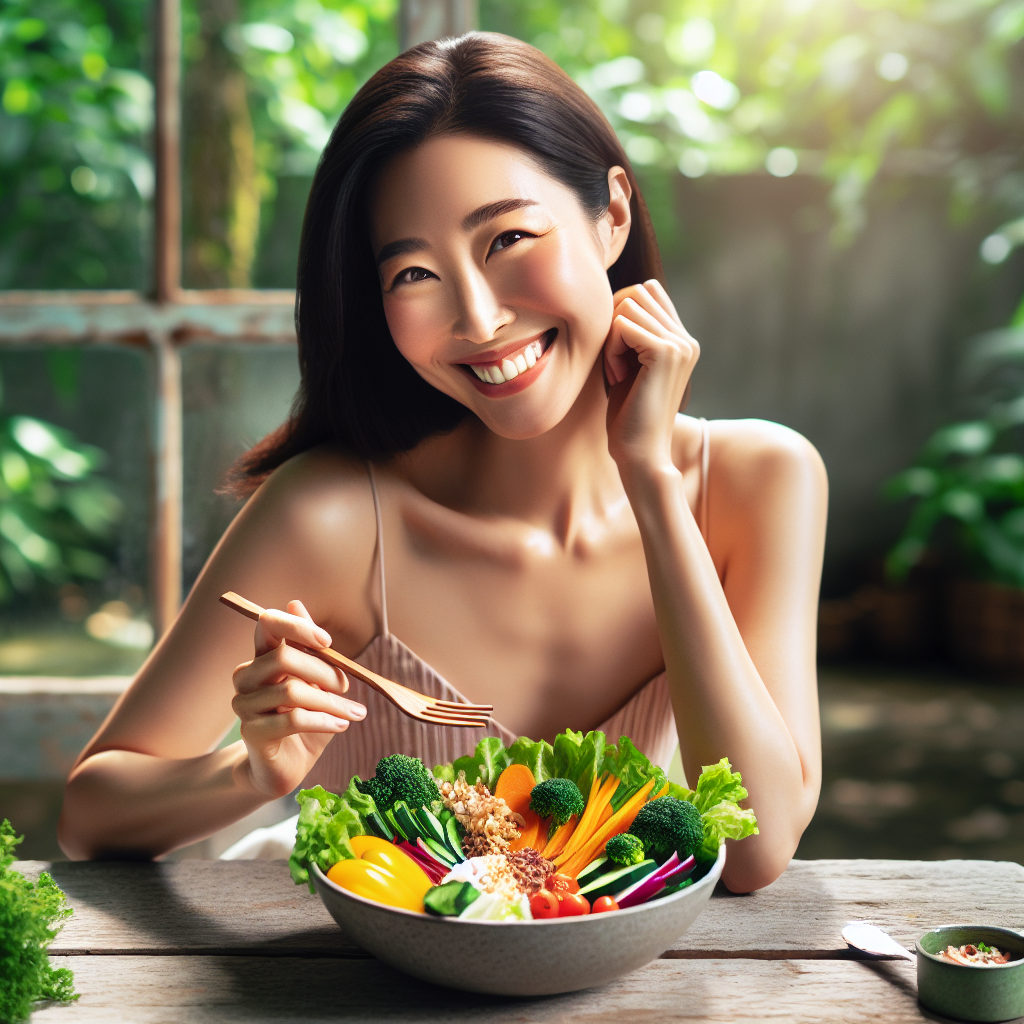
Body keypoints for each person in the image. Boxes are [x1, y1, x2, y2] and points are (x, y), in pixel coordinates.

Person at [58, 32, 827, 893]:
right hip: (345, 972)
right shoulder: (333, 515)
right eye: (415, 273)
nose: (479, 317)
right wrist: (248, 774)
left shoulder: (759, 480)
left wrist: (649, 477)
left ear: (611, 215)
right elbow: (91, 813)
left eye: (506, 240)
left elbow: (758, 849)